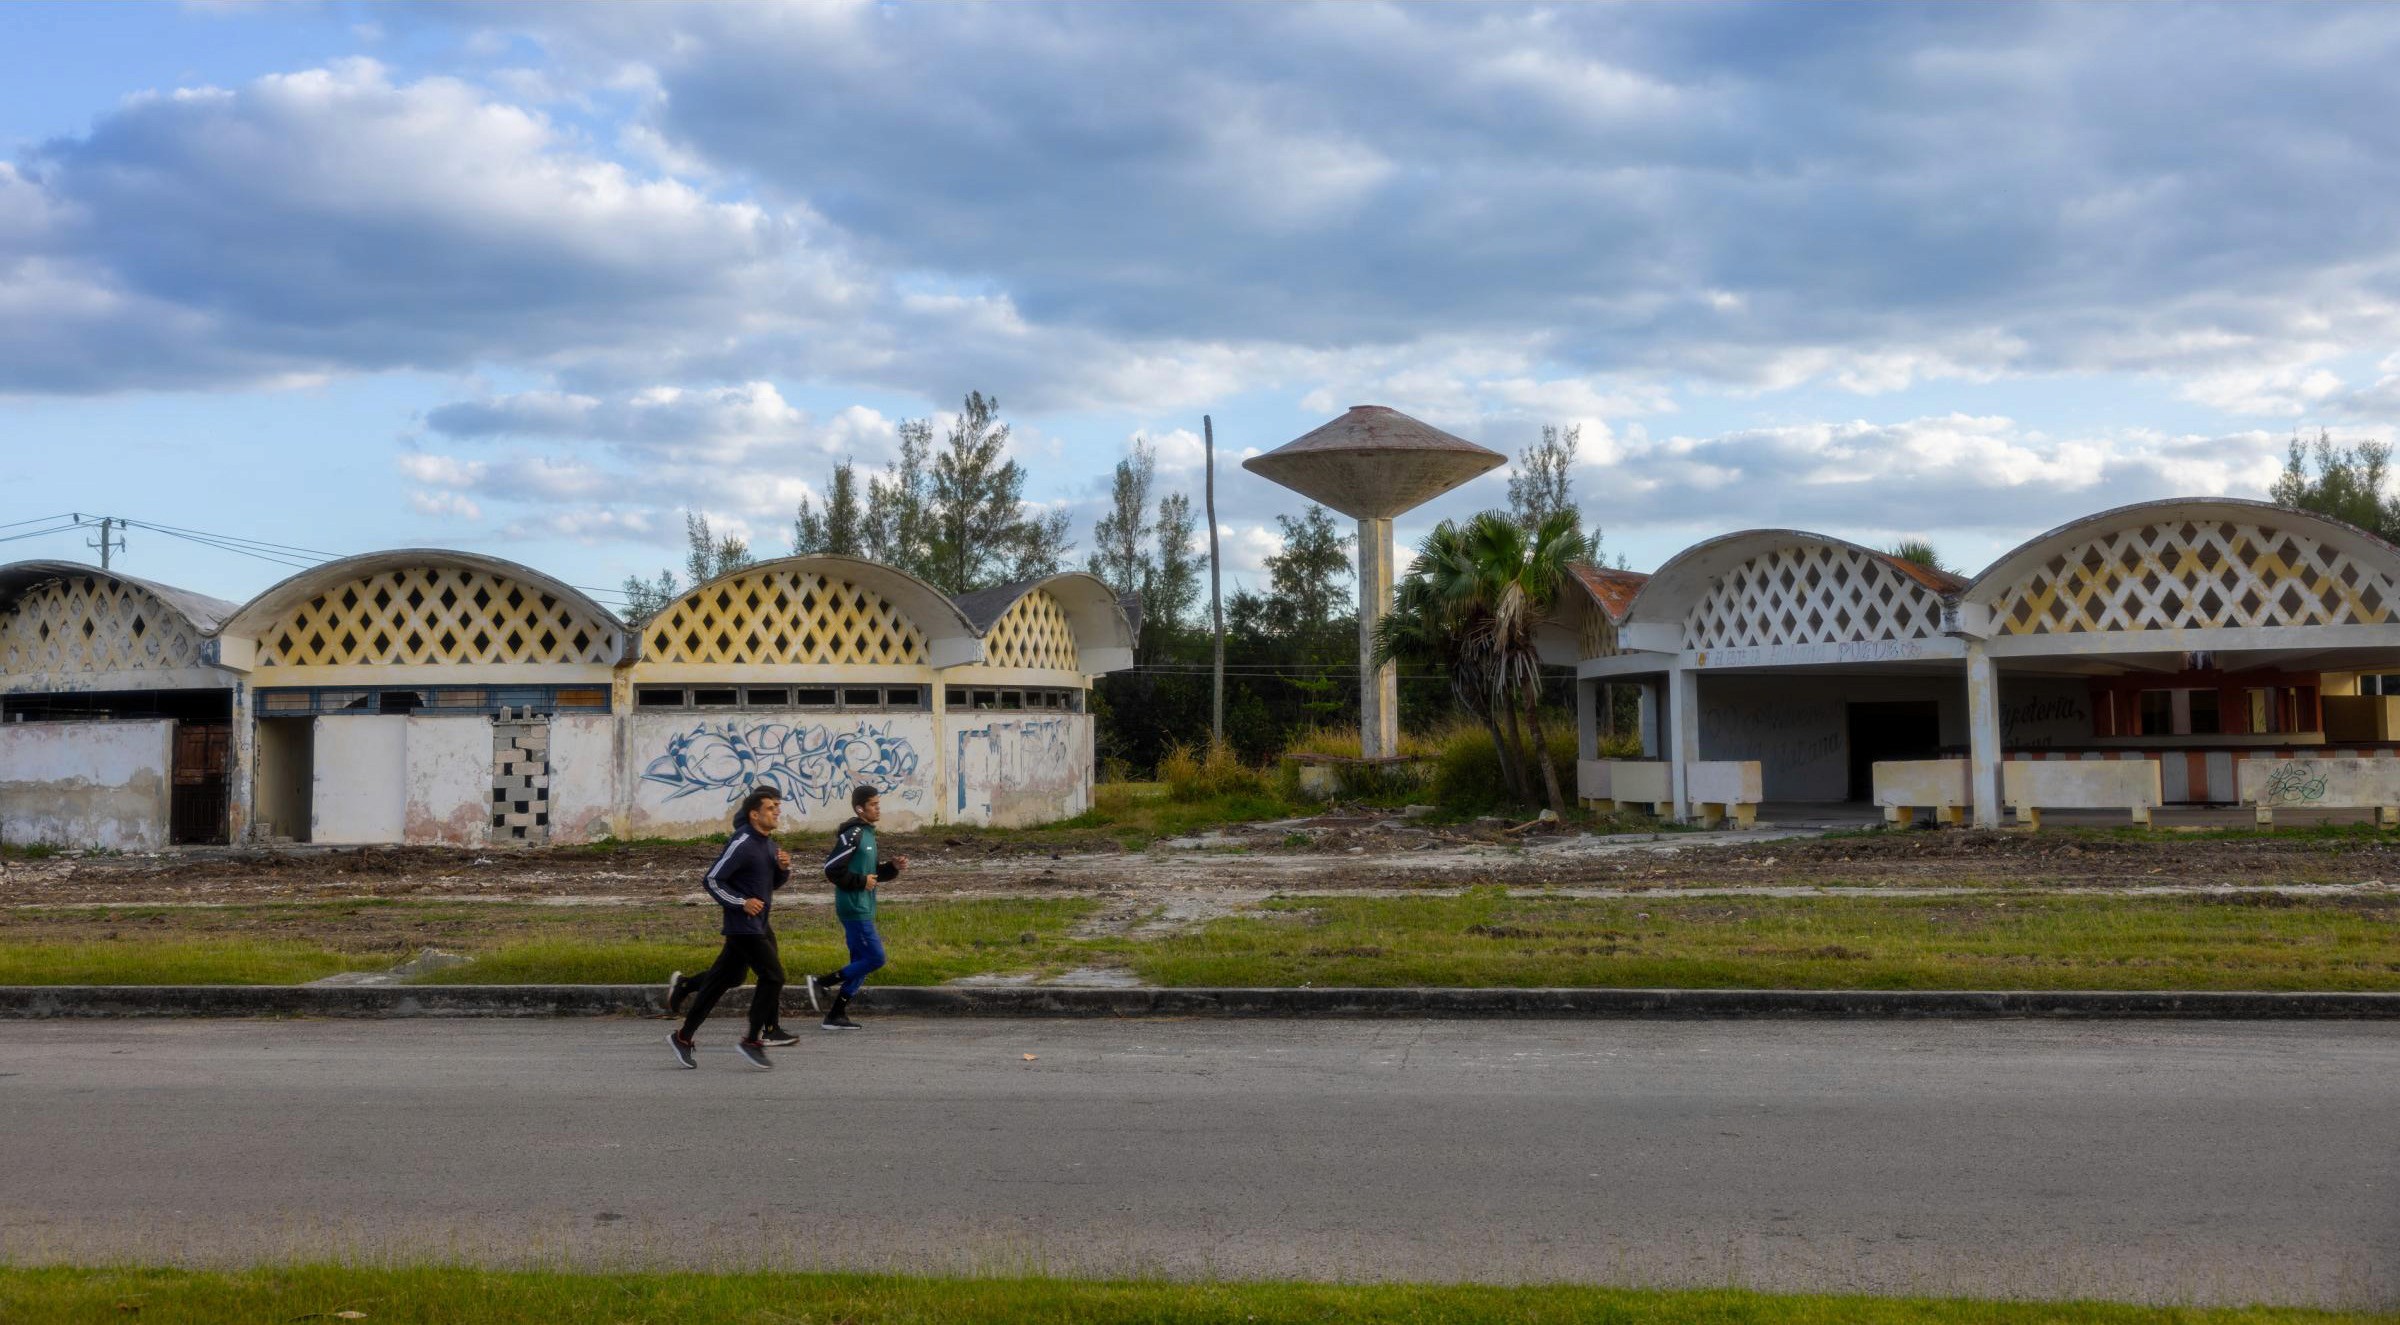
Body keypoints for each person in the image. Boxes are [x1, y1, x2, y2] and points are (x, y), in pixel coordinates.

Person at [664, 785, 797, 1068]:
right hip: (743, 926)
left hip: (756, 924)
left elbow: (767, 886)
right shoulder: (742, 842)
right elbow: (712, 879)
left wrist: (782, 870)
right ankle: (752, 1040)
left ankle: (683, 1036)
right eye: (771, 808)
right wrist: (740, 903)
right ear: (754, 814)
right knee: (773, 976)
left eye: (778, 808)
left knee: (724, 980)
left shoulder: (770, 845)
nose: (777, 812)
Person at [806, 785, 907, 1030]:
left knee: (860, 963)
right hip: (853, 907)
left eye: (878, 804)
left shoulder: (869, 834)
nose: (878, 808)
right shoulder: (853, 834)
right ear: (860, 808)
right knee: (875, 958)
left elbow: (871, 875)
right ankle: (822, 982)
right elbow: (831, 868)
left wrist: (891, 867)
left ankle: (836, 1015)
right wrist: (862, 881)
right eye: (873, 804)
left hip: (864, 905)